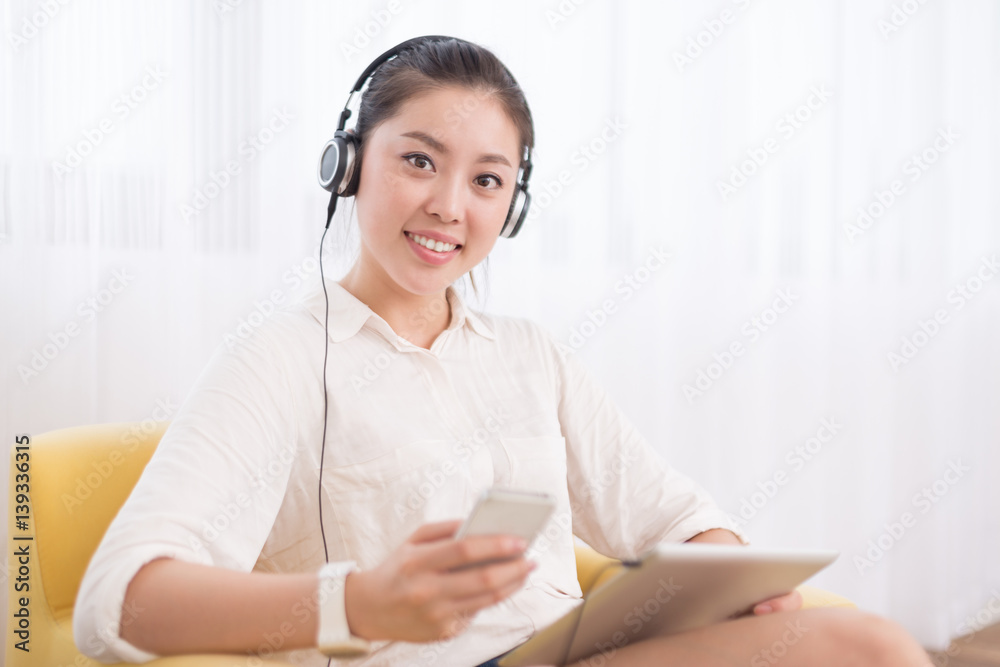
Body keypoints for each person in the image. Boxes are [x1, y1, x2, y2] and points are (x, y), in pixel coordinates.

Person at [74, 36, 932, 667]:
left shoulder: (531, 356)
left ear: (509, 208)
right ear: (348, 165)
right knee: (870, 648)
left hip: (558, 651)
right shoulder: (281, 359)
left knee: (861, 644)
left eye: (486, 180)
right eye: (419, 160)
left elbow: (672, 514)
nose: (450, 205)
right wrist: (362, 601)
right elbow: (118, 600)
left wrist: (731, 576)